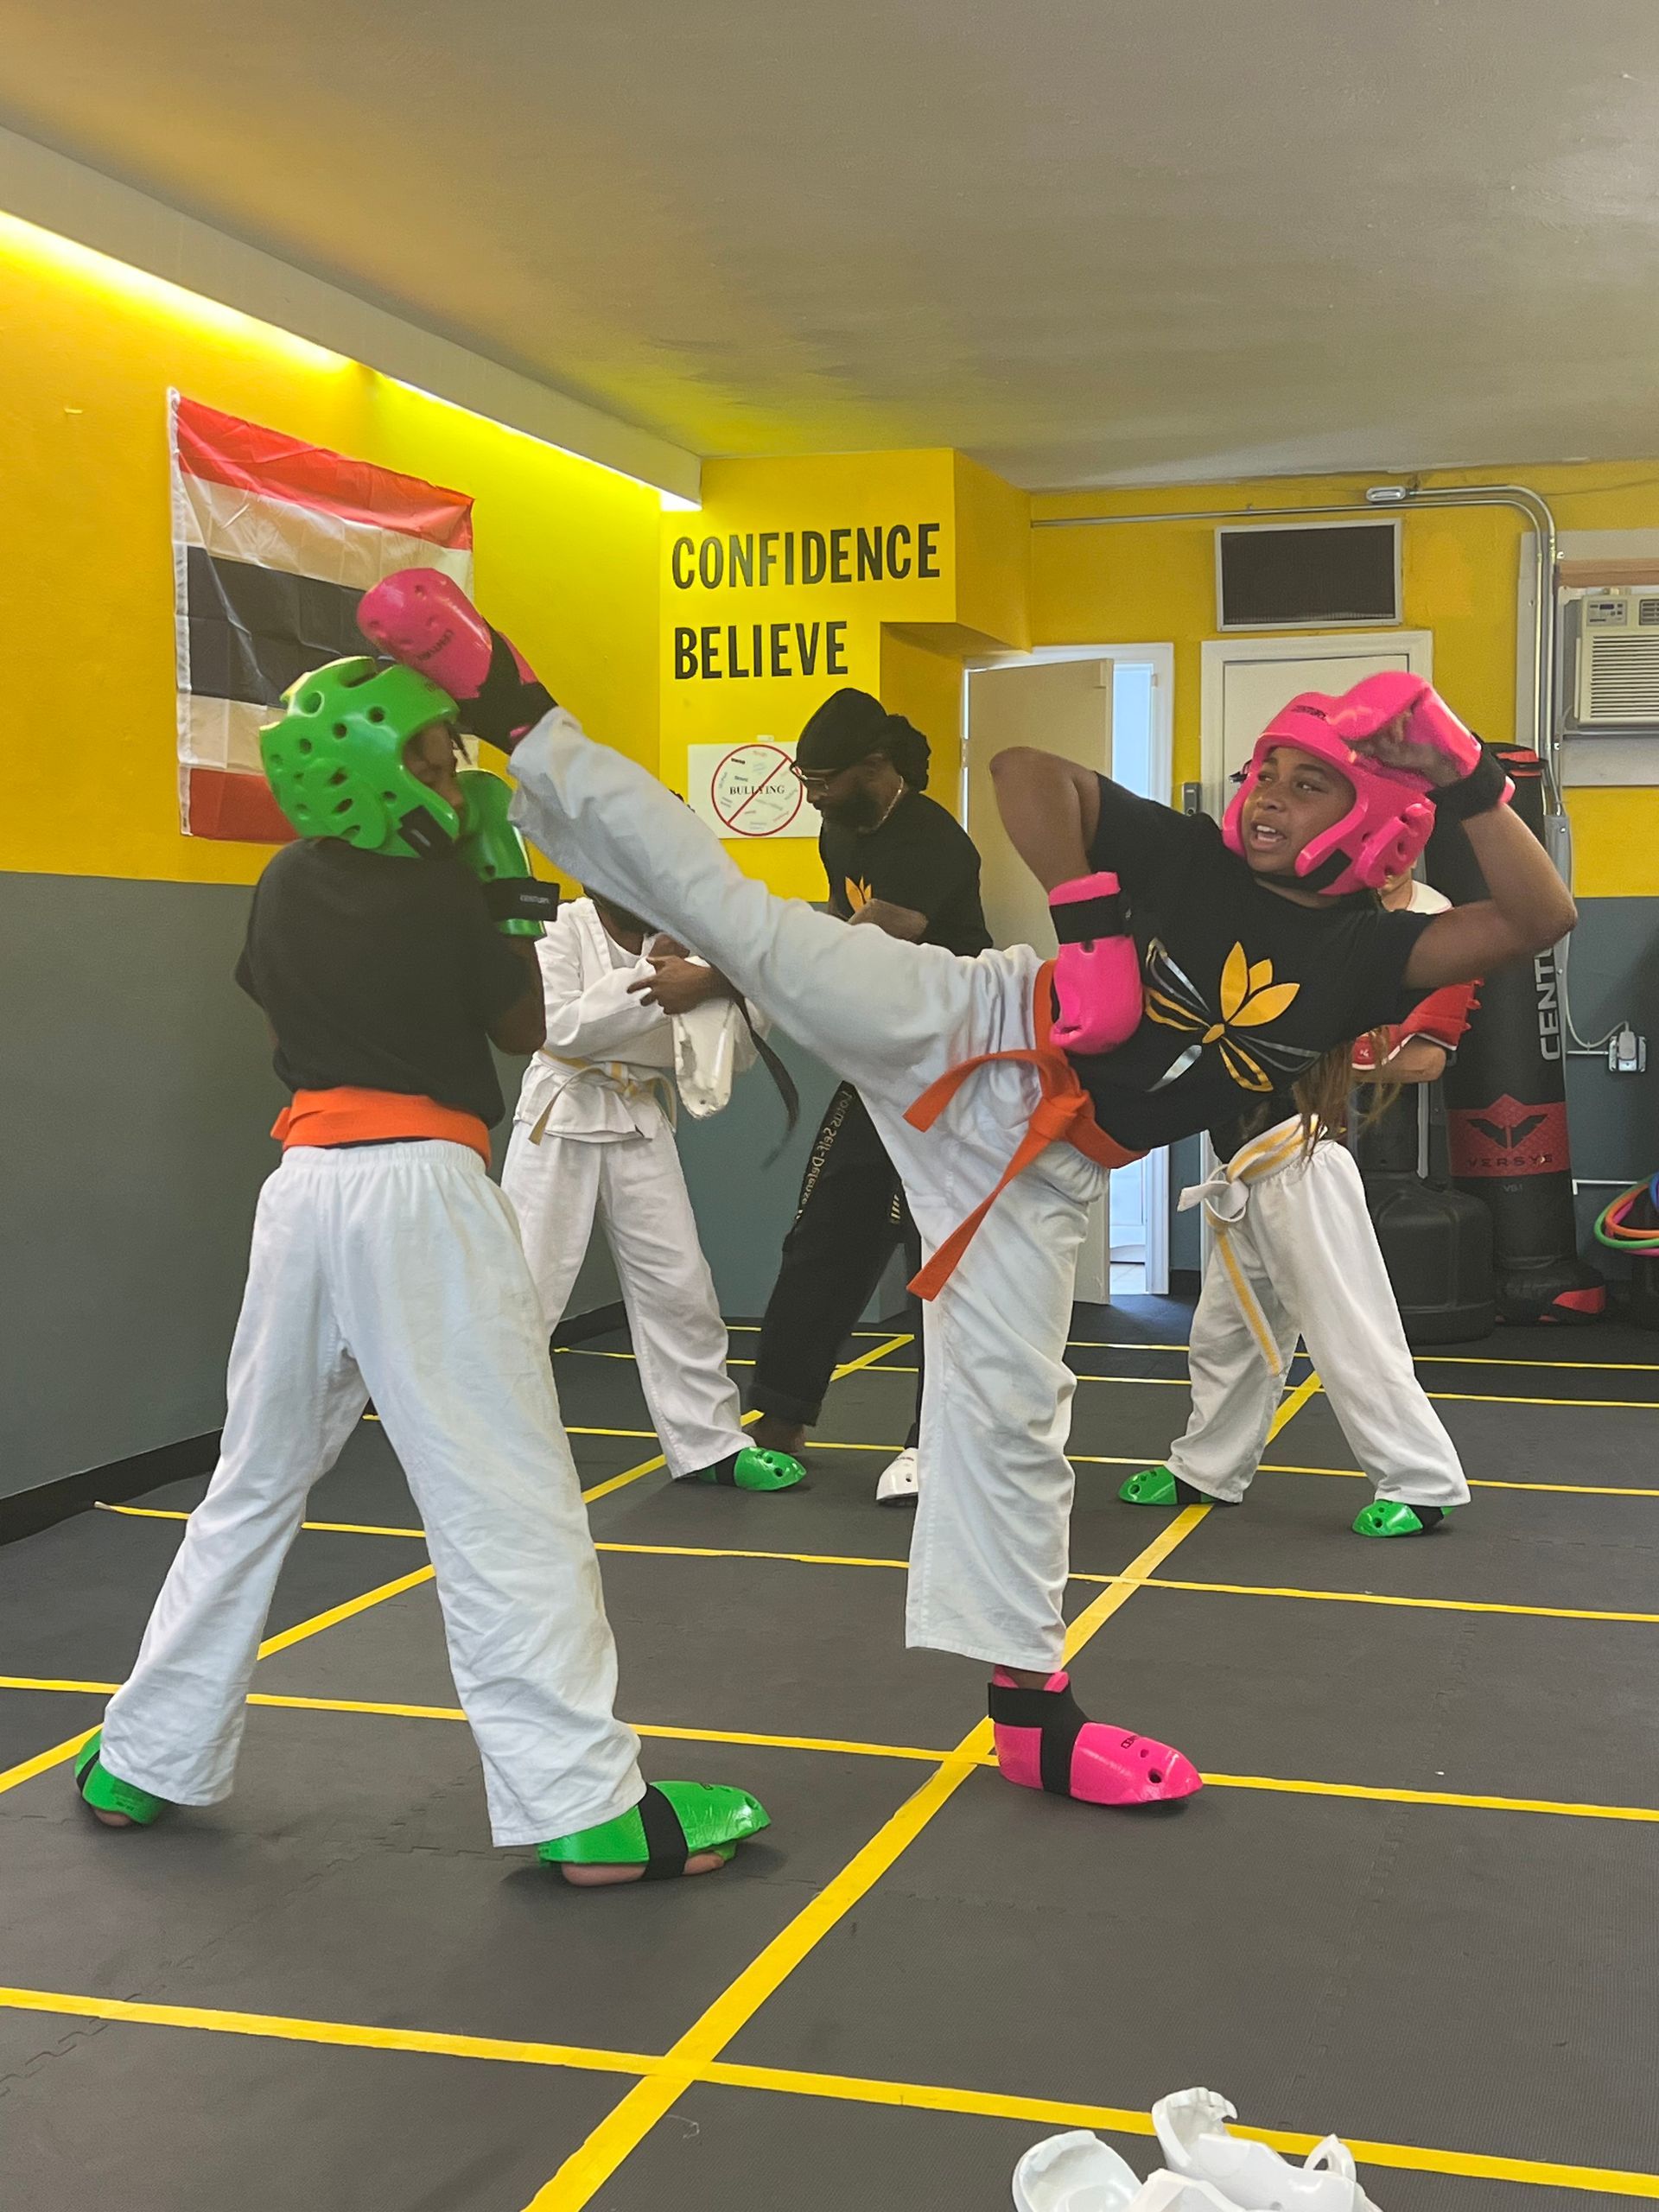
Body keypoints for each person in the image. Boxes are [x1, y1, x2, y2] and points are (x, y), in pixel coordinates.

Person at [361, 575, 1574, 1815]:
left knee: (1012, 1417)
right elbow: (1027, 771)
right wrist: (1090, 913)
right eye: (1264, 770)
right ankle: (517, 707)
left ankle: (1030, 1715)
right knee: (741, 924)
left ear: (1371, 826)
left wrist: (1471, 773)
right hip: (975, 1025)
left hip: (1041, 1166)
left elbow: (1543, 912)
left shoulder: (1375, 955)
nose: (1264, 796)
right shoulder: (1192, 858)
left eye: (1304, 783)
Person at [74, 655, 770, 1885]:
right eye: (440, 752)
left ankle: (144, 1755)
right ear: (376, 774)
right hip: (422, 1193)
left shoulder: (283, 882)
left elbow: (287, 999)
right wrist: (501, 885)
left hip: (303, 1193)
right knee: (506, 1497)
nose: (458, 769)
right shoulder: (450, 883)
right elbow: (521, 1028)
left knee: (253, 1479)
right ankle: (586, 1806)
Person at [1120, 867, 1478, 1536]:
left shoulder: (1321, 970)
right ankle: (1207, 1468)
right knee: (1226, 1337)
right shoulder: (1217, 964)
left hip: (1301, 1169)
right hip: (1242, 1174)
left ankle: (1422, 1481)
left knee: (1350, 1332)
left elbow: (1419, 1059)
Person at [747, 688, 992, 1509]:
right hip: (883, 1063)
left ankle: (937, 1438)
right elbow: (840, 929)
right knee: (825, 1231)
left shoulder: (932, 841)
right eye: (805, 778)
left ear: (877, 768)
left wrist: (728, 968)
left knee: (940, 1260)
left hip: (958, 1067)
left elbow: (867, 939)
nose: (810, 794)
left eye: (823, 779)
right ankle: (779, 1417)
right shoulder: (839, 827)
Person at [500, 885, 804, 1492]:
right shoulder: (562, 929)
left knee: (680, 1286)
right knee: (525, 1288)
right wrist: (649, 981)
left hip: (640, 1115)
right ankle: (496, 1451)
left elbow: (729, 1047)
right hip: (559, 1118)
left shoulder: (693, 941)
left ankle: (709, 1444)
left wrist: (703, 984)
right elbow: (557, 1027)